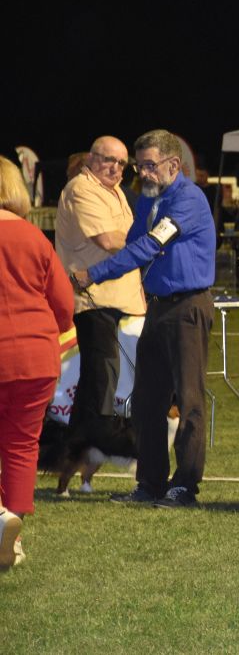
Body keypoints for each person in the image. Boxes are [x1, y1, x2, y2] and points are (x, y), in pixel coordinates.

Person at [72, 129, 216, 509]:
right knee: (146, 402)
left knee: (189, 401)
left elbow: (149, 246)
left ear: (174, 164)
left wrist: (93, 274)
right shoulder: (152, 199)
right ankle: (150, 484)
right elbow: (136, 243)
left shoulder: (188, 200)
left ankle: (184, 487)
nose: (144, 173)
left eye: (150, 166)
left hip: (187, 308)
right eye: (141, 166)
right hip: (158, 308)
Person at [0, 155, 75, 569]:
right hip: (35, 357)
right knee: (21, 445)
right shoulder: (34, 237)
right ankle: (12, 531)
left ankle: (0, 518)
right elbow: (63, 305)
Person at [56, 137, 146, 448]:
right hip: (95, 299)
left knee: (98, 379)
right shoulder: (82, 189)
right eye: (109, 160)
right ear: (92, 159)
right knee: (101, 378)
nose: (116, 168)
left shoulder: (114, 191)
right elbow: (108, 240)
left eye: (122, 163)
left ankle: (74, 450)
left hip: (120, 299)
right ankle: (96, 442)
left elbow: (124, 237)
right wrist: (148, 240)